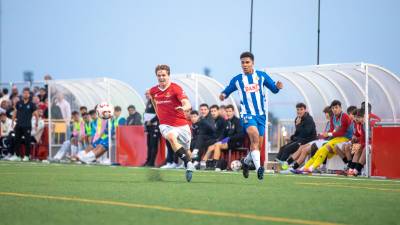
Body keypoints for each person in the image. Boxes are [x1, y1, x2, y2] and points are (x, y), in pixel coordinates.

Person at [219, 52, 283, 180]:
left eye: (247, 62)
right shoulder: (238, 79)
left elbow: (274, 89)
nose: (245, 65)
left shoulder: (261, 76)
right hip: (247, 115)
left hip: (261, 115)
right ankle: (260, 168)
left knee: (257, 146)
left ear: (253, 63)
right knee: (253, 137)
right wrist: (223, 95)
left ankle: (246, 162)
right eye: (242, 62)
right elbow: (227, 90)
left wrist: (278, 87)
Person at [149, 64, 195, 182]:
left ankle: (189, 164)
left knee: (187, 151)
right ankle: (188, 163)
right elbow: (155, 104)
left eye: (163, 75)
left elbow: (187, 103)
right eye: (159, 75)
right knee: (171, 137)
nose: (161, 78)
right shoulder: (153, 91)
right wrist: (160, 118)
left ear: (168, 75)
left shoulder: (176, 88)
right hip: (165, 125)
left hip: (181, 124)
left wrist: (184, 108)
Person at [302, 100, 353, 173]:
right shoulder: (332, 118)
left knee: (324, 148)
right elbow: (332, 131)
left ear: (340, 108)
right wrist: (324, 134)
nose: (335, 109)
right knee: (321, 149)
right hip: (337, 139)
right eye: (333, 108)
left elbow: (341, 132)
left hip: (346, 138)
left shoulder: (344, 116)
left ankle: (312, 167)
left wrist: (328, 134)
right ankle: (306, 167)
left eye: (336, 107)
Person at [202, 104, 245, 171]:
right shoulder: (227, 122)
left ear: (233, 112)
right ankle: (203, 164)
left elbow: (241, 134)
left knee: (217, 145)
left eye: (230, 111)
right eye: (227, 111)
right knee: (210, 147)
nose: (228, 113)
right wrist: (220, 140)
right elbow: (223, 134)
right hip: (227, 140)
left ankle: (215, 164)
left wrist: (229, 139)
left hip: (235, 142)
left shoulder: (237, 121)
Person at [9, 88, 38, 161]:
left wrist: (37, 122)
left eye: (27, 93)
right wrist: (12, 122)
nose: (25, 94)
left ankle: (27, 156)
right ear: (22, 94)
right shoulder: (19, 103)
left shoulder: (32, 104)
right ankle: (17, 156)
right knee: (16, 140)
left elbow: (36, 114)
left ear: (29, 95)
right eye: (24, 93)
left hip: (27, 125)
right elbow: (15, 112)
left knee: (27, 141)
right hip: (18, 125)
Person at [143, 91, 160, 167]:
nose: (146, 95)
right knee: (149, 145)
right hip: (149, 127)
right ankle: (148, 161)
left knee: (153, 145)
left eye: (147, 94)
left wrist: (151, 121)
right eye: (145, 94)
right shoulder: (148, 103)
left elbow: (159, 114)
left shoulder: (155, 102)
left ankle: (152, 162)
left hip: (155, 127)